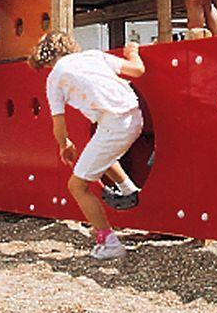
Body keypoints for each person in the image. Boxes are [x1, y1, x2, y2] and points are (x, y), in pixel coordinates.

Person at [28, 31, 146, 260]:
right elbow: (137, 70)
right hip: (135, 117)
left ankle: (108, 242)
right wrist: (133, 51)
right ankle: (128, 189)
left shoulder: (55, 77)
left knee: (77, 186)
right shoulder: (94, 56)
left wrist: (64, 145)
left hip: (114, 126)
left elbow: (58, 125)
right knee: (98, 153)